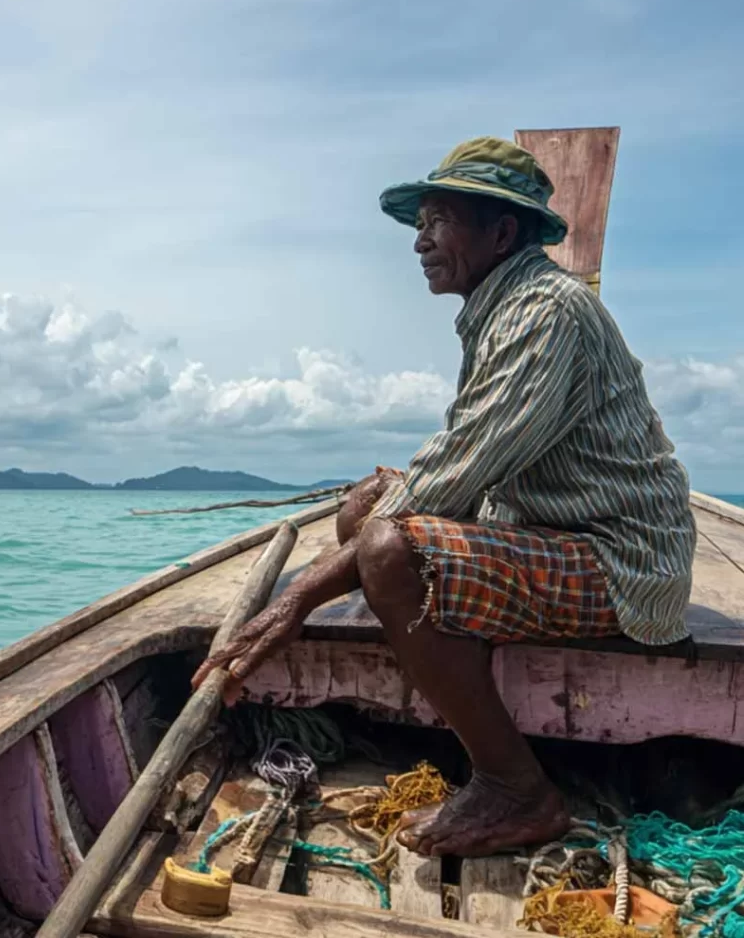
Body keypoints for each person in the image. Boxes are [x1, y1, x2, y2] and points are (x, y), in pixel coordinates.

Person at [192, 137, 697, 858]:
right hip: (556, 529)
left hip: (621, 564)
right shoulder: (501, 309)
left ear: (501, 233)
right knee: (368, 510)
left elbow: (453, 478)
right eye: (420, 223)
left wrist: (294, 601)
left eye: (439, 222)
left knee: (390, 548)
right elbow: (456, 470)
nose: (421, 242)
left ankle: (514, 785)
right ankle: (445, 648)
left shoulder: (542, 314)